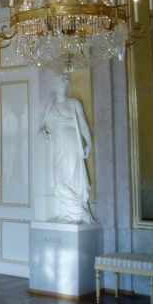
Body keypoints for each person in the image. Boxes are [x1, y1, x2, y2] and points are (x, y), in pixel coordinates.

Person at [39, 74, 94, 224]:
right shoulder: (51, 105)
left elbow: (83, 124)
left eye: (65, 85)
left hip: (71, 142)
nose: (63, 88)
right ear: (55, 86)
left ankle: (76, 214)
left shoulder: (74, 103)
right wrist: (41, 130)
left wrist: (89, 144)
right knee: (59, 182)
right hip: (57, 143)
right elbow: (47, 126)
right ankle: (80, 211)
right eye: (60, 85)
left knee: (70, 178)